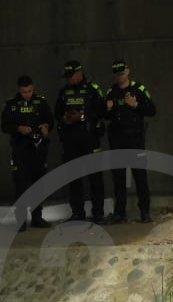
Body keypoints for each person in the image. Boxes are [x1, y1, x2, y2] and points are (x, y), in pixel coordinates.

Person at [102, 59, 156, 225]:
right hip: (117, 140)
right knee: (118, 178)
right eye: (116, 74)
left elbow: (152, 110)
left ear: (127, 71)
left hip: (135, 139)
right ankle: (120, 213)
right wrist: (107, 110)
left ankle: (145, 212)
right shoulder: (111, 92)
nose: (120, 76)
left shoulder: (138, 89)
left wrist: (136, 104)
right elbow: (105, 116)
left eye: (122, 73)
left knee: (140, 177)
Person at [53, 59, 106, 223]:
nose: (69, 79)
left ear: (79, 73)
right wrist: (65, 118)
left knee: (95, 178)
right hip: (70, 141)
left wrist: (82, 116)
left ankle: (98, 213)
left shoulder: (92, 89)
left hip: (90, 140)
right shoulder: (64, 92)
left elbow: (103, 111)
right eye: (67, 77)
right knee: (74, 178)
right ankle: (77, 213)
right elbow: (57, 112)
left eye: (71, 76)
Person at [0, 74, 54, 231]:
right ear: (19, 90)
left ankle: (37, 218)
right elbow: (4, 126)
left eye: (29, 91)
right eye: (24, 92)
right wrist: (18, 128)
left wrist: (46, 127)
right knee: (21, 184)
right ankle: (21, 221)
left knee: (38, 184)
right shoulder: (12, 105)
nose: (27, 94)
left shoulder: (41, 102)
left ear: (33, 88)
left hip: (38, 149)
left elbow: (50, 121)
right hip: (20, 149)